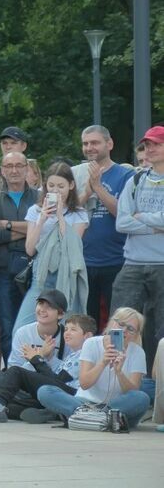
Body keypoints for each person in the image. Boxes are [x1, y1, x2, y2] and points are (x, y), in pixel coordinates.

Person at [0, 292, 82, 423]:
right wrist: (38, 358)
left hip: (51, 387)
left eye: (49, 307)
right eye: (40, 304)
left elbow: (62, 379)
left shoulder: (66, 337)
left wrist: (41, 358)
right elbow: (12, 372)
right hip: (25, 386)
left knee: (14, 388)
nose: (42, 310)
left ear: (60, 314)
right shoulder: (23, 332)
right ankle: (46, 411)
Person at [36, 307, 152, 428]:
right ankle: (98, 419)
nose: (124, 330)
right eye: (121, 324)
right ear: (112, 322)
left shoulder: (137, 352)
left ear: (136, 334)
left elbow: (133, 392)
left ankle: (87, 418)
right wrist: (103, 362)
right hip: (85, 403)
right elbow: (85, 383)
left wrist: (119, 372)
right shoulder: (92, 343)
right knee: (45, 391)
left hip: (116, 407)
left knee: (141, 398)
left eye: (131, 329)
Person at [110, 125, 164, 370]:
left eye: (156, 144)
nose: (150, 149)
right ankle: (114, 374)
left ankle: (156, 382)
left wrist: (141, 216)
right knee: (119, 324)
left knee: (159, 329)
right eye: (147, 145)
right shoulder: (136, 178)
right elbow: (122, 223)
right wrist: (154, 224)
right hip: (132, 263)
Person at [14, 162, 88, 331]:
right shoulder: (35, 210)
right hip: (41, 276)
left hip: (67, 277)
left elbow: (72, 247)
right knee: (21, 327)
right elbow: (30, 249)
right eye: (51, 185)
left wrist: (61, 216)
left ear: (71, 185)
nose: (55, 190)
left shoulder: (79, 213)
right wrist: (42, 218)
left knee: (67, 330)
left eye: (61, 186)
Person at [72, 125, 134, 327]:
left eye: (95, 142)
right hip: (83, 260)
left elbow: (123, 214)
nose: (89, 147)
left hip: (115, 259)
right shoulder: (75, 174)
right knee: (86, 322)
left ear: (109, 144)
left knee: (117, 322)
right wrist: (86, 192)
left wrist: (98, 187)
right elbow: (68, 212)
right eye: (85, 143)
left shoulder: (125, 175)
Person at [0, 151, 37, 355]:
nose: (14, 170)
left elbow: (45, 230)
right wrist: (30, 229)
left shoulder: (39, 198)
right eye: (9, 166)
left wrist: (10, 225)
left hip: (34, 268)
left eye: (19, 165)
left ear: (26, 169)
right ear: (2, 170)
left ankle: (32, 372)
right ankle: (12, 374)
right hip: (2, 269)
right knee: (7, 325)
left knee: (33, 323)